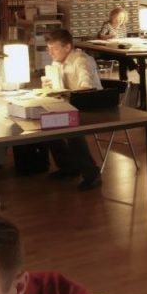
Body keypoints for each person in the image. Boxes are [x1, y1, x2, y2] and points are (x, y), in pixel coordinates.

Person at [43, 28, 103, 189]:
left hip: (92, 105)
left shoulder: (81, 60)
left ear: (67, 47)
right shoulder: (57, 62)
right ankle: (68, 166)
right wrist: (49, 86)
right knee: (46, 123)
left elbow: (87, 88)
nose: (51, 53)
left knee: (70, 126)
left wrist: (64, 93)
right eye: (48, 49)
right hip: (71, 104)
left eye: (54, 48)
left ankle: (92, 173)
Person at [96, 7, 137, 81]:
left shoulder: (122, 26)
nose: (121, 20)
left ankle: (124, 80)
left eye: (123, 18)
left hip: (119, 51)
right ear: (113, 17)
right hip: (107, 52)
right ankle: (135, 68)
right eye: (119, 17)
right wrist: (110, 36)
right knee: (124, 57)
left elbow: (123, 39)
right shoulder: (107, 25)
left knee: (123, 57)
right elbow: (101, 36)